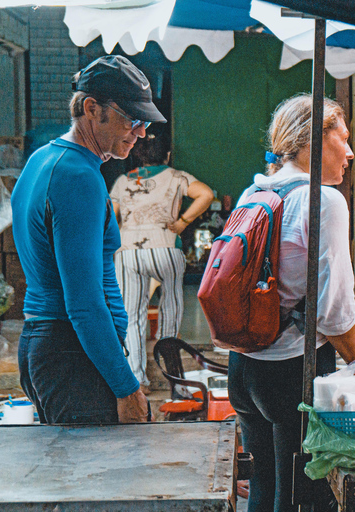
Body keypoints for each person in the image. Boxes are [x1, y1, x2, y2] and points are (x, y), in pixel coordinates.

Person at [227, 94, 355, 512]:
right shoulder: (323, 200)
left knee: (265, 491)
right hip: (293, 371)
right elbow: (333, 309)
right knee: (302, 499)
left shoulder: (254, 190)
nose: (351, 151)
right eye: (343, 138)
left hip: (244, 369)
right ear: (313, 141)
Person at [11, 55, 165, 424]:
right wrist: (125, 387)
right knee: (95, 478)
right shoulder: (77, 176)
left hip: (47, 343)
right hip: (72, 352)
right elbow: (83, 302)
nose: (141, 132)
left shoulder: (41, 160)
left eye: (144, 122)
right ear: (91, 108)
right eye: (132, 119)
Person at [110, 132, 214, 393]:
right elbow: (206, 195)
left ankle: (138, 382)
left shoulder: (124, 181)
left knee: (132, 317)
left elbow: (111, 219)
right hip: (165, 247)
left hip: (128, 251)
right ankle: (176, 383)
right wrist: (182, 222)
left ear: (137, 154)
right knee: (170, 311)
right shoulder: (177, 177)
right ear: (167, 155)